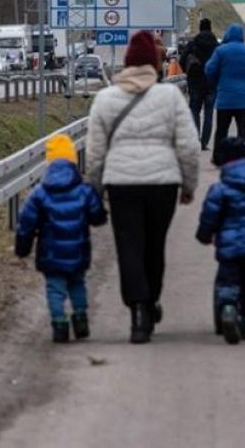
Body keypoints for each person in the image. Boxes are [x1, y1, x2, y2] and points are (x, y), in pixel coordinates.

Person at [86, 30, 201, 344]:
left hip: (121, 184)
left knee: (129, 246)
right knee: (154, 245)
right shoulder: (170, 97)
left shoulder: (106, 99)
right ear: (155, 63)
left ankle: (137, 309)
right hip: (163, 184)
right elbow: (189, 146)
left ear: (126, 64)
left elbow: (95, 151)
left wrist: (94, 189)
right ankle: (150, 301)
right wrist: (189, 184)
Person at [16, 134, 108, 343]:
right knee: (77, 284)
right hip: (78, 251)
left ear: (48, 163)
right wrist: (100, 217)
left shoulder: (39, 194)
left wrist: (23, 248)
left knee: (55, 289)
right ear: (73, 161)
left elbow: (26, 224)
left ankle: (59, 323)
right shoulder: (84, 191)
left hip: (51, 254)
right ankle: (81, 317)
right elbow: (97, 215)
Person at [196, 137, 245, 345]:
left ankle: (228, 309)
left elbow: (209, 216)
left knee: (228, 281)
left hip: (229, 248)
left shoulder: (219, 190)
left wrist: (204, 235)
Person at [206, 24, 245, 147]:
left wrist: (217, 80)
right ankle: (243, 156)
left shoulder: (220, 51)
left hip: (224, 99)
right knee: (243, 131)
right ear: (242, 36)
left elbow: (209, 70)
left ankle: (218, 157)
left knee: (221, 131)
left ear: (227, 35)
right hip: (244, 99)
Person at [180, 19, 220, 150]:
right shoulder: (216, 45)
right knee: (209, 113)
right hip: (211, 82)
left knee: (194, 110)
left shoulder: (193, 44)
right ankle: (204, 142)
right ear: (210, 28)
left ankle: (195, 138)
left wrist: (189, 71)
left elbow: (182, 59)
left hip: (195, 81)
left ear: (200, 28)